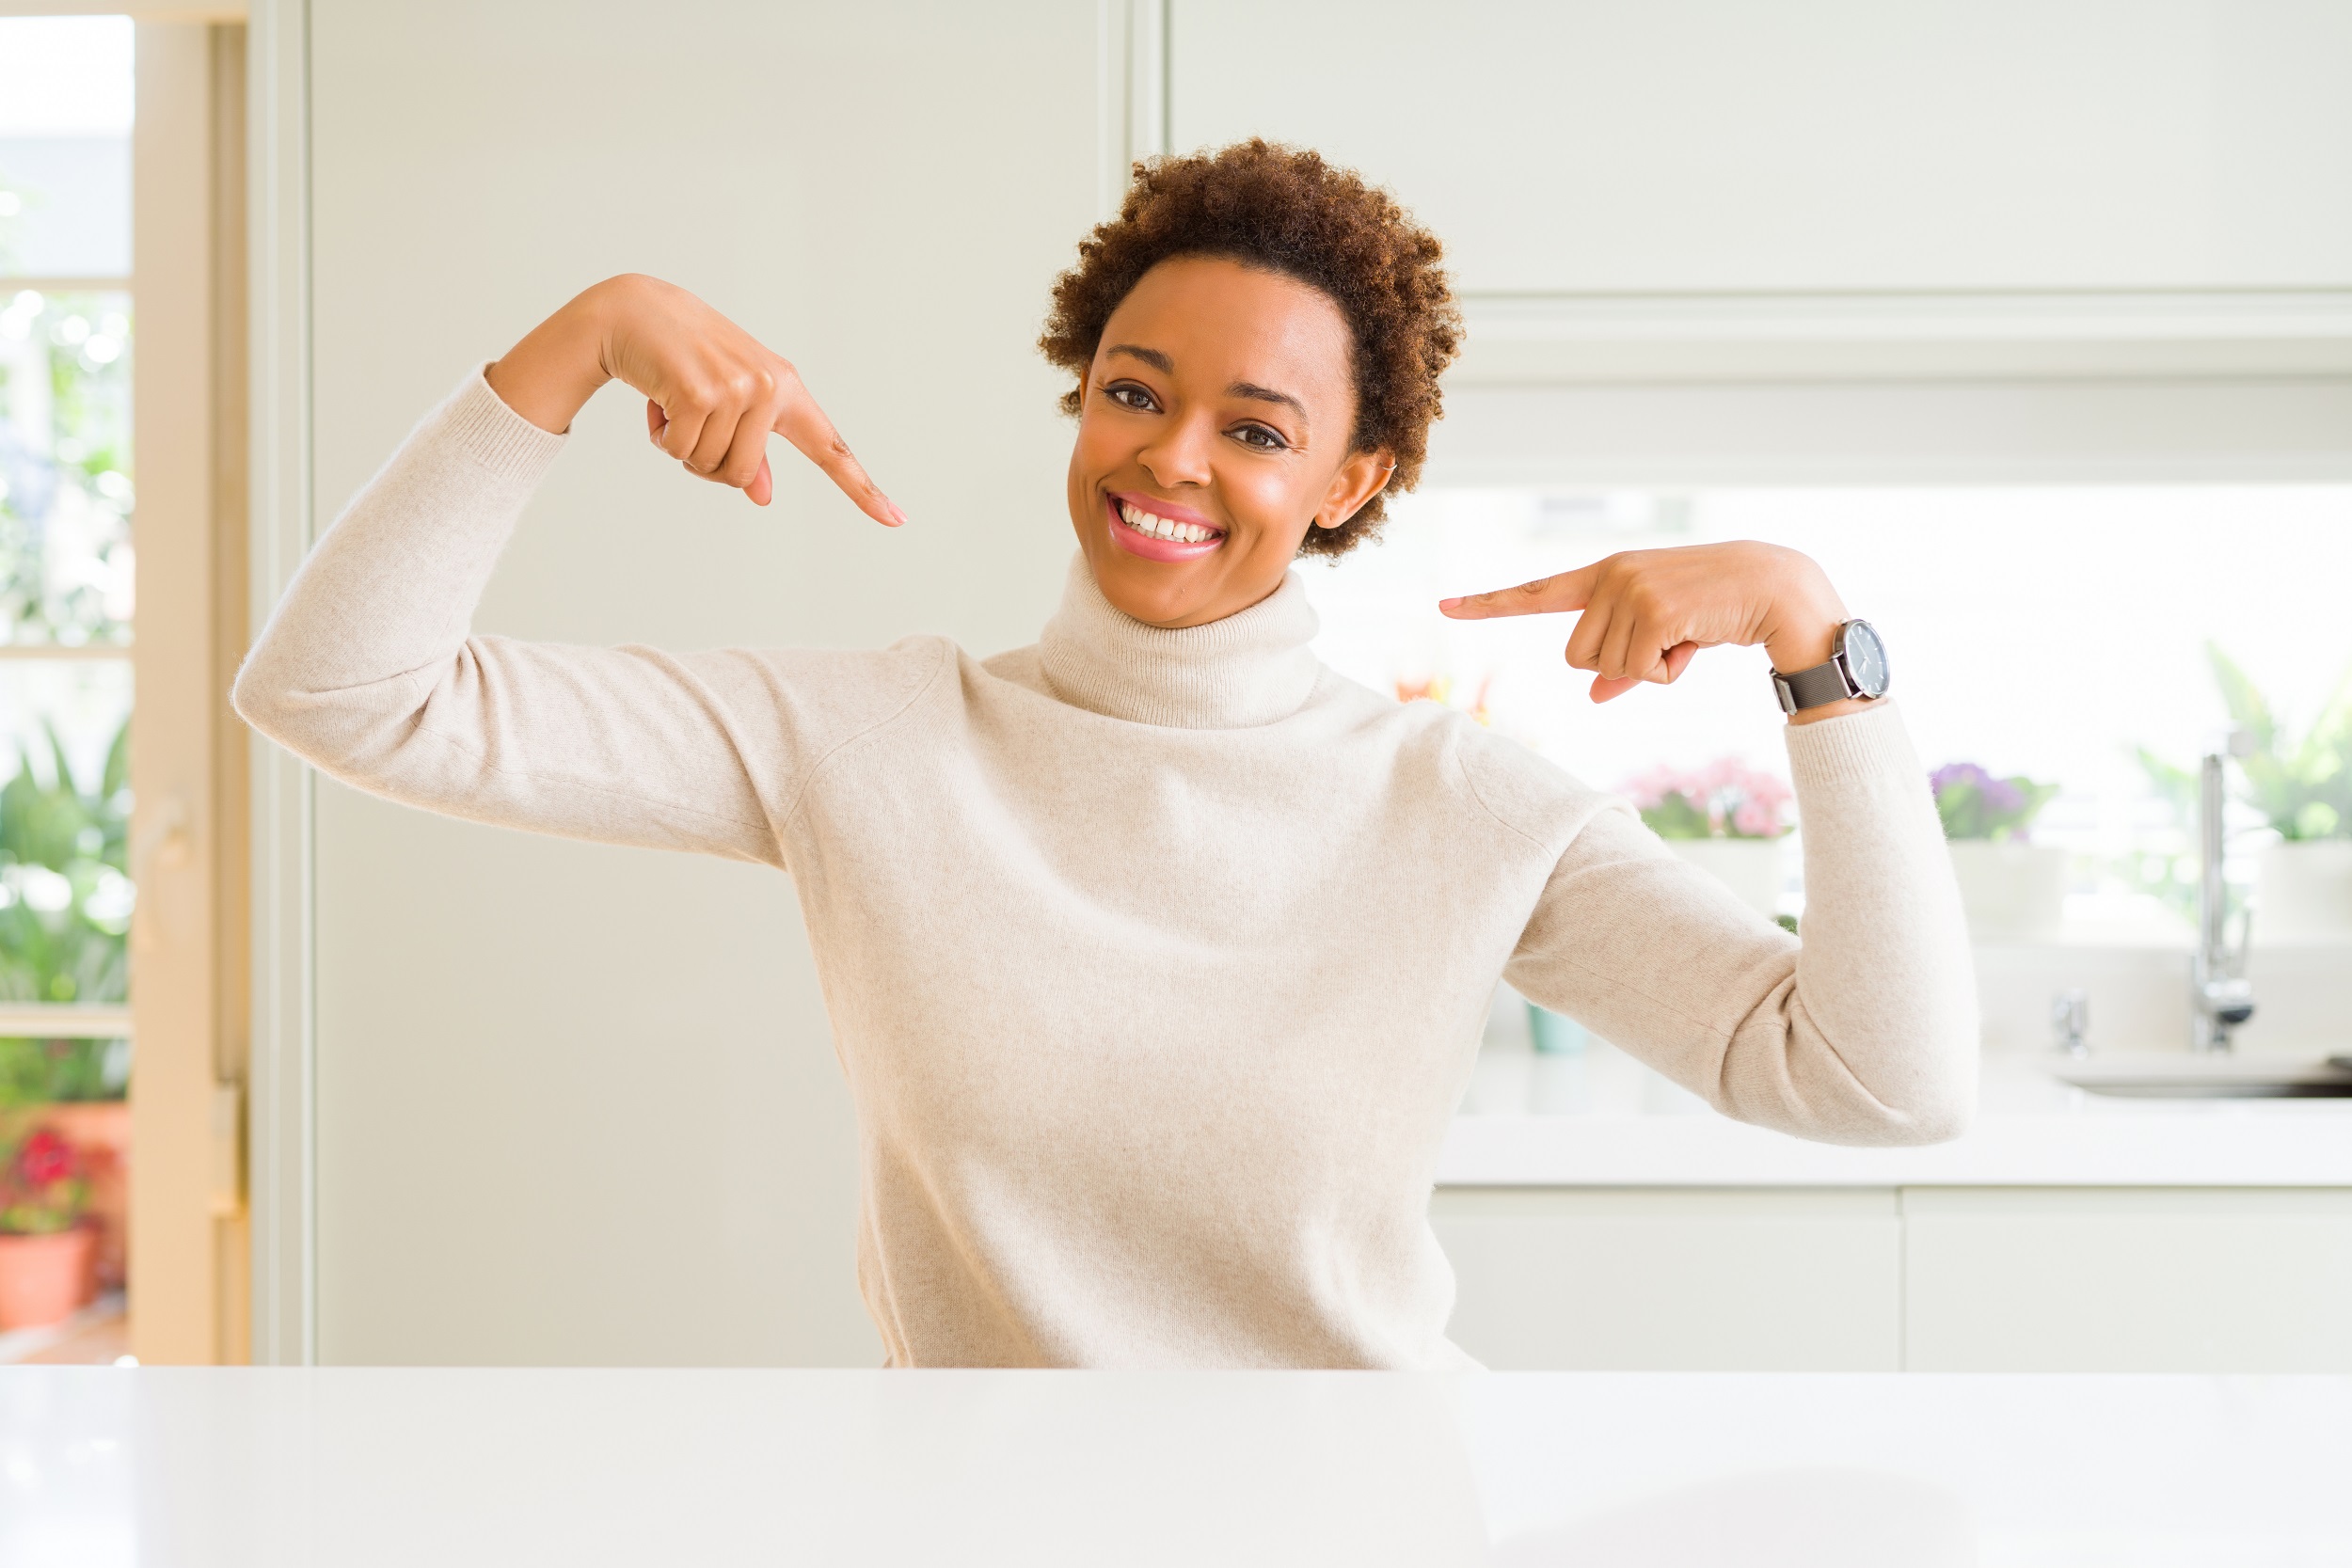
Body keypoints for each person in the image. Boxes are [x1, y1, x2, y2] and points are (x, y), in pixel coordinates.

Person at [234, 140, 1975, 1370]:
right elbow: (342, 692)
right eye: (1135, 391)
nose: (1172, 460)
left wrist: (1824, 652)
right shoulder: (878, 743)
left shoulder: (1458, 810)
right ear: (1081, 398)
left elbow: (1883, 1086)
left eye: (1260, 428)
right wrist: (583, 336)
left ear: (1352, 483)